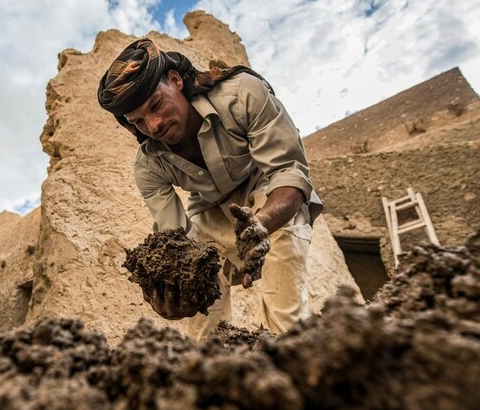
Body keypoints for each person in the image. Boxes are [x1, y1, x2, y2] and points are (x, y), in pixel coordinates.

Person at [97, 38, 323, 340]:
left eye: (156, 105)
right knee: (205, 336)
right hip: (208, 209)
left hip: (266, 192)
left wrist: (262, 224)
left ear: (175, 80)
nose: (153, 126)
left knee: (287, 319)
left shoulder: (242, 93)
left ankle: (290, 359)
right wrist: (176, 291)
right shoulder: (148, 166)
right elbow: (176, 241)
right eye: (138, 122)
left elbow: (289, 174)